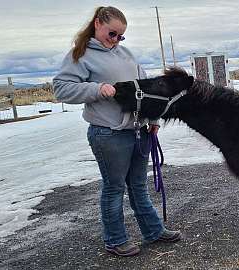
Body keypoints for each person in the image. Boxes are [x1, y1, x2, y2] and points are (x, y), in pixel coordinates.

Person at [53, 6, 180, 257]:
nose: (116, 40)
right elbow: (61, 89)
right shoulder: (81, 55)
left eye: (121, 36)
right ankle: (115, 239)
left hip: (139, 131)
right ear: (98, 24)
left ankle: (153, 231)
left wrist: (153, 118)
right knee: (114, 188)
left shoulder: (125, 54)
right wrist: (96, 89)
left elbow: (147, 88)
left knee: (138, 185)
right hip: (109, 134)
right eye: (112, 34)